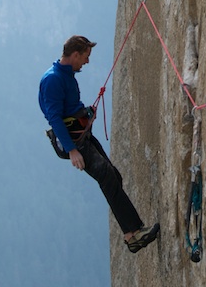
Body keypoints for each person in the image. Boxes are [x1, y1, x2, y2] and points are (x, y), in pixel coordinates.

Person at [39, 35, 160, 253]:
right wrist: (72, 150)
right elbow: (55, 118)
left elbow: (69, 107)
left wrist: (87, 113)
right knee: (106, 175)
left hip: (80, 136)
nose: (87, 61)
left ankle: (131, 233)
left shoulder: (66, 75)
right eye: (85, 56)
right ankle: (133, 234)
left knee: (114, 175)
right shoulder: (53, 79)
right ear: (75, 54)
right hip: (74, 142)